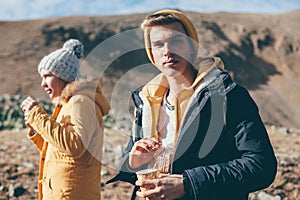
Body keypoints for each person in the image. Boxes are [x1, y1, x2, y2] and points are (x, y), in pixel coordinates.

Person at [109, 9, 277, 200]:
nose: (167, 51)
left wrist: (188, 183)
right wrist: (134, 162)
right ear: (151, 54)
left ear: (191, 47)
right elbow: (130, 162)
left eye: (176, 41)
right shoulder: (147, 101)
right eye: (158, 44)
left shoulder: (229, 96)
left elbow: (260, 166)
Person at [20, 39, 110, 200]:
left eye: (47, 76)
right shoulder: (69, 104)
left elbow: (75, 146)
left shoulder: (80, 102)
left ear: (64, 76)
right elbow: (59, 151)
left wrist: (38, 116)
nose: (42, 84)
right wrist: (37, 129)